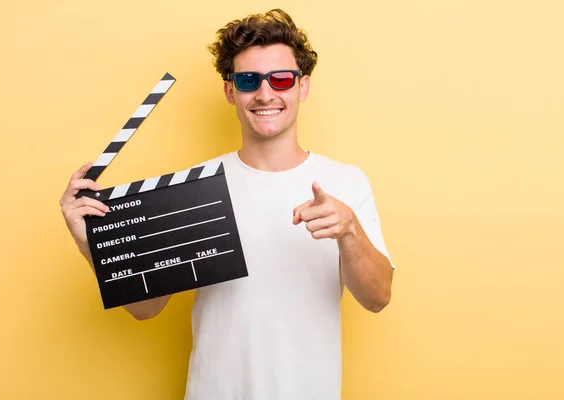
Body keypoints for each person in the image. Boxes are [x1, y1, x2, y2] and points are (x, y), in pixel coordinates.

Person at [59, 8, 394, 400]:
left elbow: (378, 297)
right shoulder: (193, 190)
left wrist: (349, 230)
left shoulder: (345, 182)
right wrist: (91, 243)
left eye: (281, 79)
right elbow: (145, 308)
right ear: (230, 90)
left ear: (302, 87)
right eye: (249, 80)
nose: (266, 94)